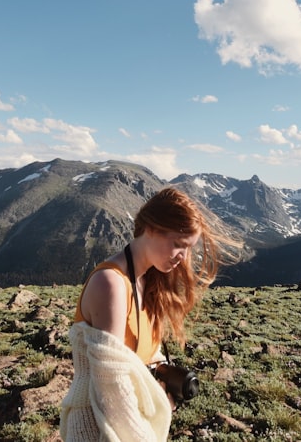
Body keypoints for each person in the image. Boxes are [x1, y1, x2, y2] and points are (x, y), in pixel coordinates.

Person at [59, 186, 242, 442]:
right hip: (98, 428)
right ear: (151, 228)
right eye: (178, 245)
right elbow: (110, 385)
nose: (184, 257)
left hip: (132, 423)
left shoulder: (148, 280)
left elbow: (139, 358)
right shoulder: (111, 284)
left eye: (188, 248)